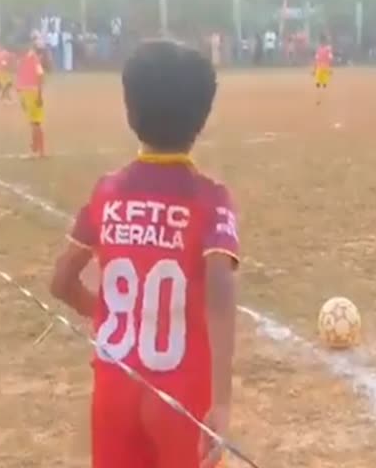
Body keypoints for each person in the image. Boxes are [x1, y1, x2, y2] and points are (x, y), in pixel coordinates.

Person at [49, 40, 238, 468]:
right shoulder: (211, 199)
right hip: (183, 399)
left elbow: (61, 282)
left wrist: (116, 319)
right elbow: (221, 292)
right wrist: (222, 400)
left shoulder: (107, 192)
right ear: (201, 119)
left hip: (115, 392)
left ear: (130, 111)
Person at [16, 42, 46, 157]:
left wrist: (38, 95)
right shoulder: (28, 59)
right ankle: (40, 150)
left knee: (35, 123)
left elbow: (39, 76)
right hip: (29, 92)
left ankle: (36, 150)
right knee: (35, 123)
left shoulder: (30, 59)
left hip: (31, 93)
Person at [313, 34, 333, 105]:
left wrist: (314, 69)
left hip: (319, 67)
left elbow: (316, 59)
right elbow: (330, 59)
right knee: (324, 84)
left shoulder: (318, 49)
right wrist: (330, 69)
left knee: (318, 84)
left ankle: (319, 99)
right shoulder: (328, 49)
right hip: (326, 67)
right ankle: (323, 99)